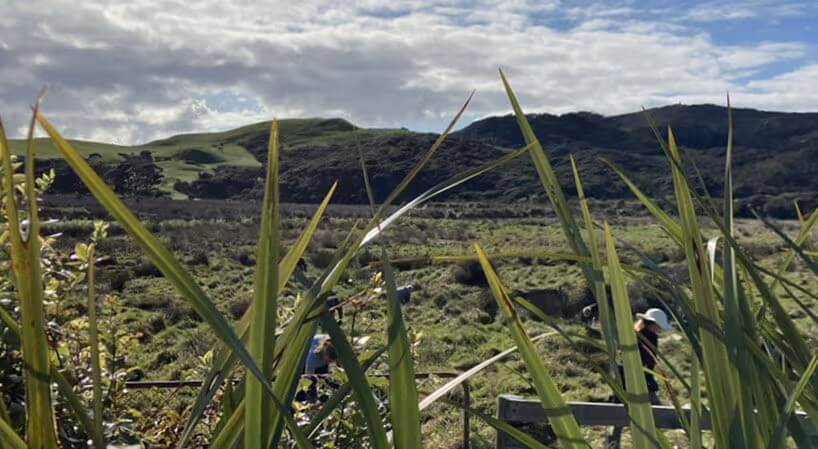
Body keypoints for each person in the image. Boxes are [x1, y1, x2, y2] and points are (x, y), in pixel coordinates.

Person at [606, 308, 672, 449]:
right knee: (657, 415)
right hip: (640, 383)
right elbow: (645, 364)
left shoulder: (636, 335)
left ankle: (612, 445)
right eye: (659, 326)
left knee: (618, 417)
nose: (660, 329)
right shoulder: (648, 339)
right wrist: (649, 382)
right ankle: (657, 445)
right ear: (653, 324)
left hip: (624, 381)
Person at [297, 334, 338, 404]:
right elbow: (308, 378)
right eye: (328, 360)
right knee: (309, 386)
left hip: (321, 358)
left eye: (331, 361)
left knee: (328, 381)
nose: (329, 363)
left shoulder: (335, 344)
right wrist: (312, 392)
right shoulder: (312, 358)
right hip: (302, 361)